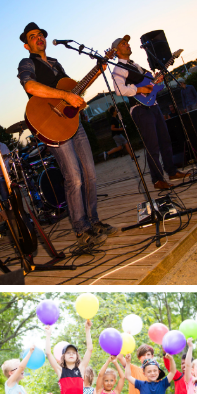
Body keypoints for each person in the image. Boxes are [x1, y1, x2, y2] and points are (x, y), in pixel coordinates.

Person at [18, 22, 117, 250]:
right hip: (52, 125)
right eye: (33, 36)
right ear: (27, 45)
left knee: (90, 174)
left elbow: (73, 89)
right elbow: (31, 86)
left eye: (40, 34)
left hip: (73, 123)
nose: (39, 37)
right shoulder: (27, 63)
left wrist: (95, 73)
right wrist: (65, 95)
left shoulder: (55, 63)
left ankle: (94, 221)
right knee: (74, 177)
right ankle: (81, 229)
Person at [110, 35, 188, 191]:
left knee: (165, 140)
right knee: (153, 145)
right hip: (140, 109)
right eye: (123, 44)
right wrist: (139, 89)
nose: (128, 45)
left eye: (127, 43)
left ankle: (171, 172)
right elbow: (119, 90)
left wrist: (156, 82)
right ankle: (158, 180)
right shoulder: (119, 68)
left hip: (153, 105)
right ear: (116, 51)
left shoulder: (137, 65)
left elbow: (150, 84)